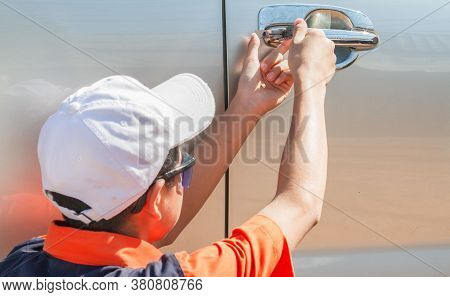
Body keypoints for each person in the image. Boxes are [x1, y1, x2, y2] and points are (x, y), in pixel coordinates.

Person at [0, 19, 336, 277]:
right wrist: (313, 82)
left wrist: (245, 109)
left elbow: (146, 230)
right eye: (185, 164)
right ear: (157, 197)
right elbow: (301, 205)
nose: (188, 169)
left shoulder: (22, 261)